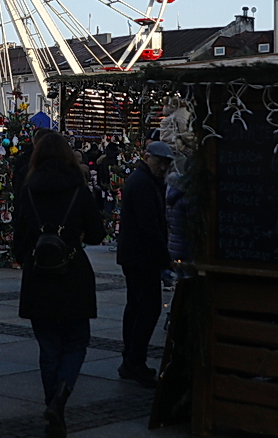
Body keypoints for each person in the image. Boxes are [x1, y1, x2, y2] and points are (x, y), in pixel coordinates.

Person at [13, 132, 104, 438]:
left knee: (48, 345)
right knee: (77, 340)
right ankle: (61, 397)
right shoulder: (78, 189)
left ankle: (52, 403)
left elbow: (18, 242)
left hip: (39, 275)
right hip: (73, 272)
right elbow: (96, 234)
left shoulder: (28, 190)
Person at [116, 140, 172, 386]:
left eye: (166, 165)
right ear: (147, 158)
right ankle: (134, 360)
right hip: (141, 257)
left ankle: (131, 359)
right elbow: (148, 225)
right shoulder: (142, 184)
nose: (162, 168)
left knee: (137, 307)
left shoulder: (144, 180)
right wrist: (164, 258)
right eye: (159, 163)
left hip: (135, 255)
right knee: (147, 308)